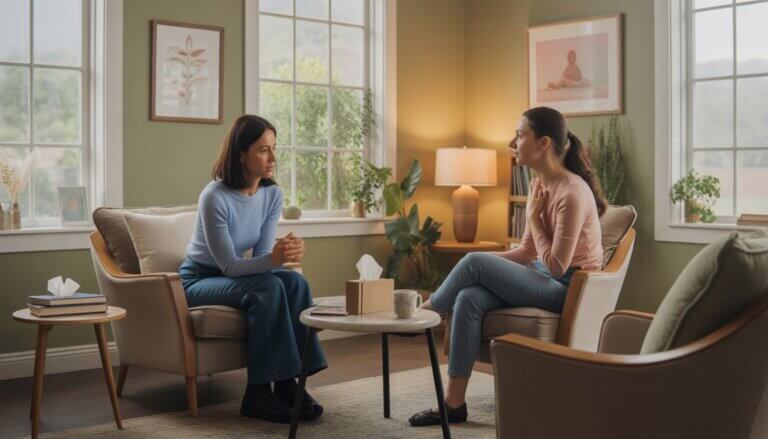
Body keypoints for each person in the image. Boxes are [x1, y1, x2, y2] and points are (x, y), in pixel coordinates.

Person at [409, 106, 605, 427]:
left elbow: (557, 266)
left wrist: (532, 219)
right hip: (541, 275)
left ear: (543, 143)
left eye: (520, 135)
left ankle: (426, 313)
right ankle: (453, 404)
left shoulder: (571, 193)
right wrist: (487, 264)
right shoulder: (539, 185)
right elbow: (527, 252)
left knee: (473, 260)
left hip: (567, 288)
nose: (513, 143)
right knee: (469, 296)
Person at [178, 115, 327, 424]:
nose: (272, 158)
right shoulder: (214, 197)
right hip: (198, 280)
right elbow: (230, 266)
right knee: (268, 287)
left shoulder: (272, 195)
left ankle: (288, 384)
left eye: (274, 148)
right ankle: (257, 393)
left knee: (296, 283)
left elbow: (261, 257)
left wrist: (286, 253)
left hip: (235, 276)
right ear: (241, 154)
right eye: (263, 150)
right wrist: (275, 259)